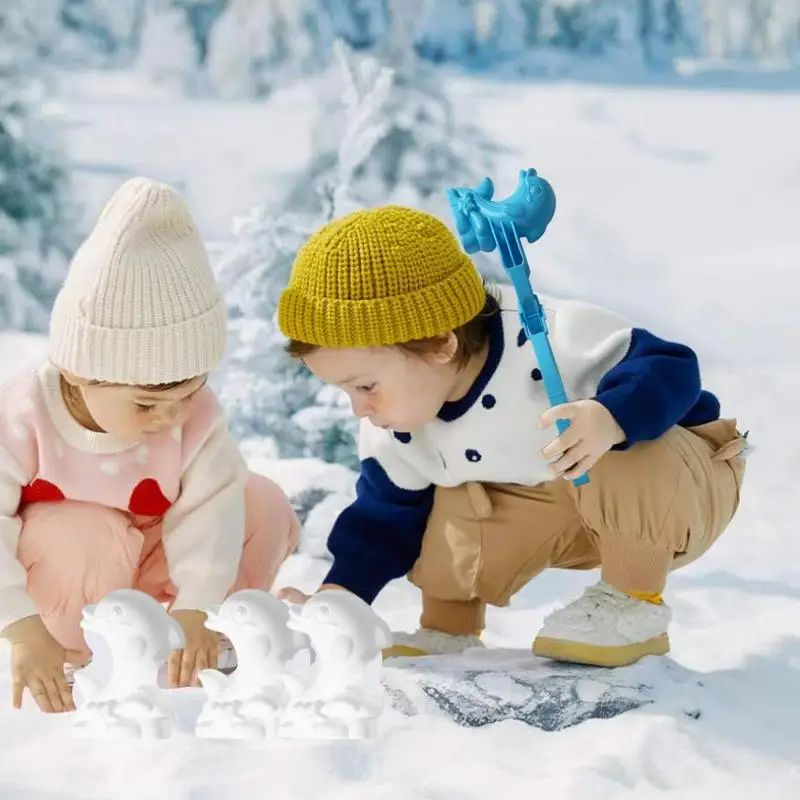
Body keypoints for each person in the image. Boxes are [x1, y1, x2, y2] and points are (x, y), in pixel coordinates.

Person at [275, 204, 747, 667]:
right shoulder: (398, 432)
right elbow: (381, 521)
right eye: (345, 392)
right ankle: (447, 626)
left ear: (441, 343)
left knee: (623, 438)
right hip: (559, 506)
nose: (360, 408)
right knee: (455, 503)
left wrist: (609, 415)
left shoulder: (550, 337)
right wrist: (342, 593)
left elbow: (674, 368)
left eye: (366, 386)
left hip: (679, 493)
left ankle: (633, 600)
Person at [0, 177, 300, 714]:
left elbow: (210, 510)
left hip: (155, 564)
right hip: (67, 581)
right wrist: (20, 627)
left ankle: (204, 638)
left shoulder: (193, 417)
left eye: (191, 392)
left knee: (259, 500)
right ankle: (71, 652)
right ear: (77, 372)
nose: (172, 418)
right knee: (81, 527)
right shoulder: (23, 416)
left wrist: (197, 608)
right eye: (146, 405)